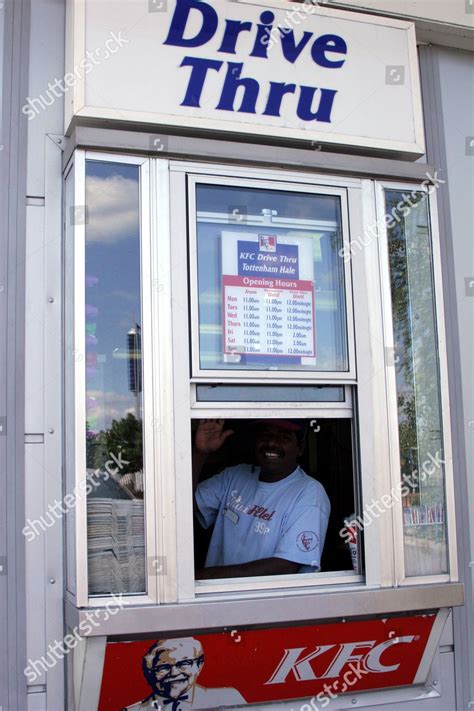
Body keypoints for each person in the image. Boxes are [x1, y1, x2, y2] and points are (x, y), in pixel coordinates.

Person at [193, 418, 330, 580]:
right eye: (265, 435)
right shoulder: (234, 476)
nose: (272, 443)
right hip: (215, 599)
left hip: (264, 602)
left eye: (284, 437)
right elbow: (180, 507)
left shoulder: (309, 492)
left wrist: (205, 577)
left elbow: (286, 566)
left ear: (300, 448)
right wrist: (201, 453)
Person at [123, 637, 245, 710]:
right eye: (163, 667)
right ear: (149, 673)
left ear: (199, 665)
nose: (174, 673)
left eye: (183, 664)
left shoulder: (229, 699)